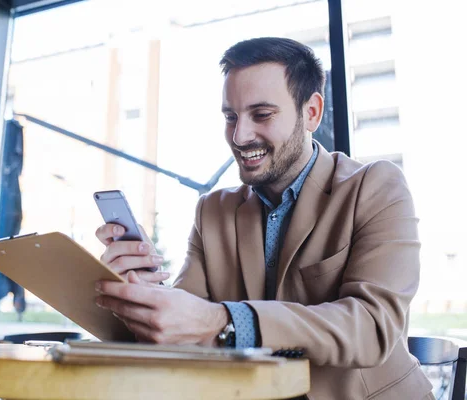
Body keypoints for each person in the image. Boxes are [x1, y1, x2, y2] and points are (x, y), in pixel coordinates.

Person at [93, 37, 434, 400]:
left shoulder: (377, 186)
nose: (239, 136)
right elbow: (184, 328)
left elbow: (372, 328)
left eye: (262, 114)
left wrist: (224, 322)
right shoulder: (212, 212)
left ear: (312, 113)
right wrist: (141, 292)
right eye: (230, 117)